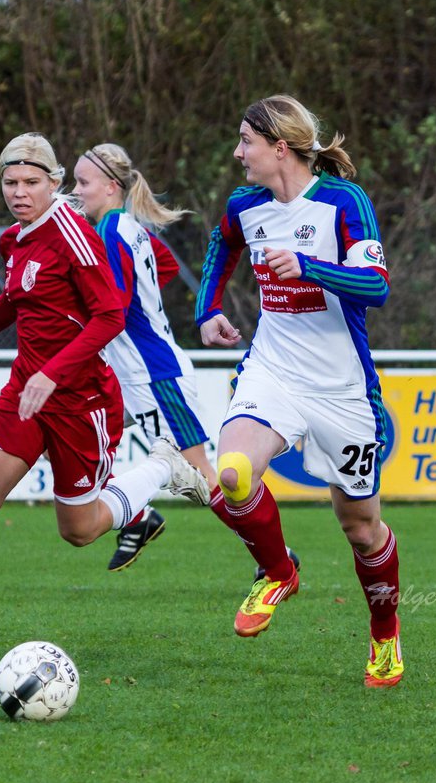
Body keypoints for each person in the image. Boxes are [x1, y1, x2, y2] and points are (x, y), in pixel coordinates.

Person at [0, 133, 210, 655]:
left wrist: (55, 372)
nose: (19, 192)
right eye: (10, 182)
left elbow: (110, 315)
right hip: (26, 390)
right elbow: (12, 299)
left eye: (31, 182)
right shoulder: (14, 238)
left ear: (55, 183)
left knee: (80, 531)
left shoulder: (75, 236)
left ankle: (163, 466)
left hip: (81, 399)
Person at [196, 95, 402, 687]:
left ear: (279, 147)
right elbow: (223, 246)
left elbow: (376, 287)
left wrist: (310, 266)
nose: (238, 153)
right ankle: (278, 571)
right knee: (233, 471)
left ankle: (384, 634)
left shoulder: (343, 201)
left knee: (362, 529)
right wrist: (209, 310)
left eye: (246, 142)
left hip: (342, 388)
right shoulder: (246, 206)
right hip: (273, 370)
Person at [72, 143, 301, 576]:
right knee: (73, 435)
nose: (76, 191)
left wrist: (82, 325)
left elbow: (114, 312)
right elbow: (165, 268)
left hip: (154, 377)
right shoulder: (128, 228)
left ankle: (276, 556)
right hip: (136, 374)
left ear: (110, 187)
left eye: (83, 183)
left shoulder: (108, 234)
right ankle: (139, 520)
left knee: (202, 480)